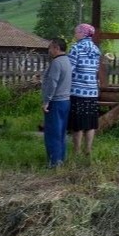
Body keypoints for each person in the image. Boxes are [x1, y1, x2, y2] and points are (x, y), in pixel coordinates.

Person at [67, 23, 101, 157]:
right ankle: (88, 151)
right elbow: (96, 70)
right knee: (90, 123)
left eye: (76, 32)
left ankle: (76, 152)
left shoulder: (76, 48)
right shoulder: (96, 49)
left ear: (83, 33)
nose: (75, 34)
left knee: (77, 124)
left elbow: (69, 69)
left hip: (78, 90)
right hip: (92, 91)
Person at [41, 37, 71, 168]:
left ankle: (54, 162)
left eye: (50, 47)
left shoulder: (57, 63)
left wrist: (46, 101)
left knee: (53, 132)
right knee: (61, 132)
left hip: (56, 101)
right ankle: (61, 159)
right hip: (65, 100)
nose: (49, 50)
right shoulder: (67, 61)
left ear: (56, 48)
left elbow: (52, 83)